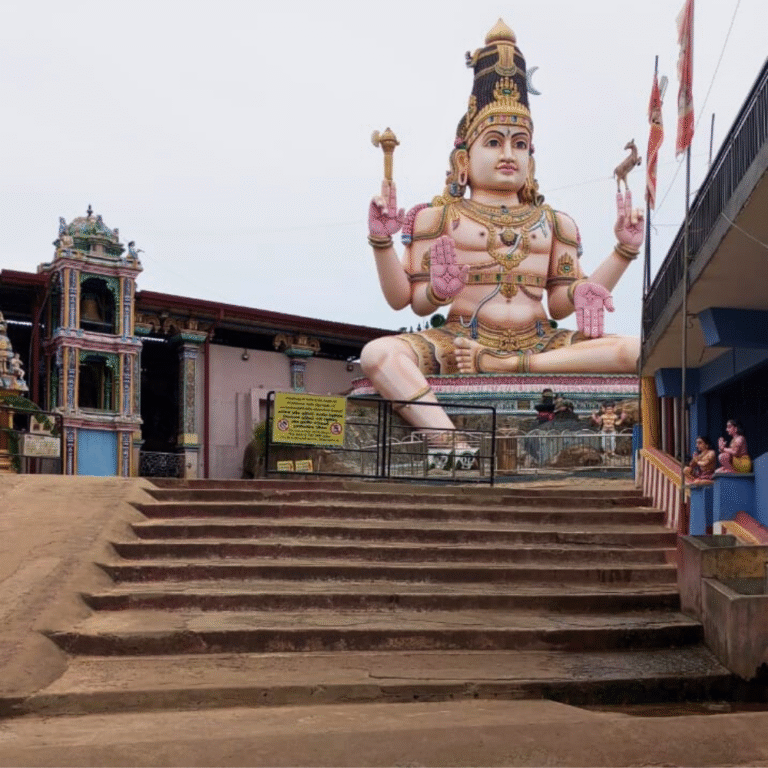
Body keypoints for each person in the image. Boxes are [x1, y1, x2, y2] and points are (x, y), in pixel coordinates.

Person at [361, 19, 643, 440]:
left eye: (520, 143)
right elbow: (408, 301)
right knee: (377, 354)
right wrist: (385, 245)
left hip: (542, 344)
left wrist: (621, 253)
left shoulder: (554, 223)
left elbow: (562, 304)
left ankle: (509, 368)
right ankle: (448, 440)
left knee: (638, 350)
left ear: (532, 156)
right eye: (494, 142)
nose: (509, 154)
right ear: (464, 158)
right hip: (457, 342)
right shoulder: (437, 218)